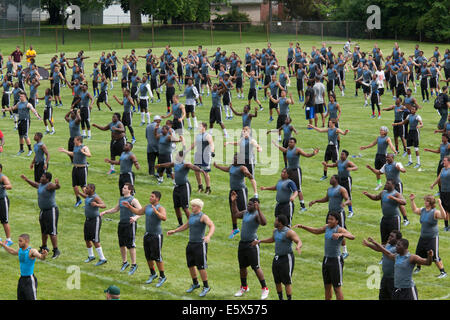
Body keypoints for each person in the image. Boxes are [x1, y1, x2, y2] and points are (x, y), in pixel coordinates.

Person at [295, 212, 354, 300]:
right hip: (326, 260)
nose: (329, 221)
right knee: (327, 287)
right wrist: (303, 226)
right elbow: (316, 231)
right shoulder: (327, 227)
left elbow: (352, 236)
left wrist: (341, 234)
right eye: (328, 219)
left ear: (337, 221)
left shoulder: (339, 229)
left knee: (337, 288)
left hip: (336, 261)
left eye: (331, 219)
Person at [167, 198, 215, 297]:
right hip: (191, 243)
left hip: (199, 244)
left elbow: (212, 226)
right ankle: (195, 283)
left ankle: (206, 286)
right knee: (190, 265)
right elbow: (187, 225)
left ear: (199, 207)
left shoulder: (203, 216)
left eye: (193, 206)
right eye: (192, 205)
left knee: (201, 266)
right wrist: (175, 231)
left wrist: (208, 236)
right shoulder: (192, 216)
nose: (191, 207)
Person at [122, 190, 168, 287]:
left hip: (156, 235)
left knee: (157, 256)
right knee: (148, 256)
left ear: (157, 199)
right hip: (148, 235)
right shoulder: (147, 207)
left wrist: (156, 212)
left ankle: (162, 276)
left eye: (152, 197)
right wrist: (129, 207)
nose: (150, 198)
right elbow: (138, 212)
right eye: (150, 196)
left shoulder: (160, 208)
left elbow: (164, 218)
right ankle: (152, 273)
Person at [230, 191, 269, 299]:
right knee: (242, 267)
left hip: (252, 244)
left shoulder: (256, 215)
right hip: (242, 243)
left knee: (256, 267)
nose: (248, 205)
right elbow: (236, 214)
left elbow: (264, 223)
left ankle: (265, 288)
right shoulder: (246, 212)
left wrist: (259, 209)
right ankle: (244, 287)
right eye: (248, 204)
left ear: (256, 205)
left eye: (251, 204)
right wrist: (234, 202)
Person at [253, 215, 301, 300]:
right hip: (277, 258)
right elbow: (272, 239)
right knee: (277, 280)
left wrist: (298, 246)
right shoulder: (275, 231)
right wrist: (260, 241)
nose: (274, 222)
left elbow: (298, 241)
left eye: (276, 220)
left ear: (280, 222)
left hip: (286, 258)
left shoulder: (289, 232)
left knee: (287, 281)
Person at [214, 153, 258, 239]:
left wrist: (247, 174)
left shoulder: (242, 167)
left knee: (244, 210)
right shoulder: (232, 166)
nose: (233, 160)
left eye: (235, 159)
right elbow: (227, 169)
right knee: (233, 210)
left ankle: (248, 227)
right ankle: (235, 229)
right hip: (232, 191)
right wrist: (218, 166)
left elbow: (247, 173)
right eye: (233, 158)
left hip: (241, 191)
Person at [100, 183, 142, 275]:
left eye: (125, 188)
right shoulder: (121, 199)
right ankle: (125, 262)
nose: (123, 189)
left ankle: (134, 264)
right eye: (123, 187)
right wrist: (105, 212)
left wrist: (135, 218)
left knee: (130, 244)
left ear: (130, 190)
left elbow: (141, 211)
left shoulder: (133, 200)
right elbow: (116, 209)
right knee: (122, 244)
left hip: (130, 224)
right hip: (122, 224)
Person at [156, 150, 204, 226]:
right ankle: (180, 223)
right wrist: (160, 165)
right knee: (176, 207)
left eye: (177, 156)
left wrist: (200, 169)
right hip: (176, 187)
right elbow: (169, 164)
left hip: (184, 187)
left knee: (185, 207)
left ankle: (191, 224)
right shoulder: (175, 163)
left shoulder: (185, 164)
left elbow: (192, 167)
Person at [309, 175, 352, 258]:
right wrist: (316, 201)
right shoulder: (329, 189)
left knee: (340, 231)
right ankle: (332, 249)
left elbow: (348, 199)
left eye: (332, 178)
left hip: (339, 214)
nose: (330, 179)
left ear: (336, 180)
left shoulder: (341, 189)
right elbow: (326, 199)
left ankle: (344, 251)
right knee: (329, 230)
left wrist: (345, 203)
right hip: (331, 214)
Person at [272, 138, 319, 213]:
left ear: (295, 143)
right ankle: (287, 201)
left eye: (291, 142)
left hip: (296, 171)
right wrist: (276, 145)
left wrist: (313, 153)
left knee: (298, 189)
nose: (289, 143)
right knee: (287, 186)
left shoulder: (297, 150)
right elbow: (284, 150)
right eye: (289, 142)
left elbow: (306, 155)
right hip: (289, 171)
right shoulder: (288, 149)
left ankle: (302, 206)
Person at [20, 172, 61, 259]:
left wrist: (57, 184)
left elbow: (56, 187)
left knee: (52, 231)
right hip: (43, 211)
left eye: (43, 176)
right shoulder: (41, 185)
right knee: (44, 231)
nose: (41, 177)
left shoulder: (49, 185)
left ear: (47, 179)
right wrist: (26, 179)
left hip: (51, 210)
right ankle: (44, 247)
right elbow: (35, 185)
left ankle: (56, 250)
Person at [409, 194, 447, 278]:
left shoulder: (435, 212)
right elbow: (415, 210)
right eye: (425, 200)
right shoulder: (423, 210)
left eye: (426, 201)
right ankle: (418, 268)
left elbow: (444, 216)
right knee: (418, 253)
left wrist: (440, 205)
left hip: (432, 238)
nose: (425, 202)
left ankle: (443, 272)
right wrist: (412, 200)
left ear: (430, 203)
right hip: (423, 237)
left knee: (435, 256)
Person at [0, 234, 48, 300]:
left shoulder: (32, 251)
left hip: (29, 280)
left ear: (26, 241)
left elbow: (41, 257)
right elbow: (12, 251)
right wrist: (2, 244)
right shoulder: (20, 250)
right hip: (22, 279)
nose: (19, 243)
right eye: (18, 241)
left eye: (20, 241)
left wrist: (44, 255)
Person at [366, 154, 410, 226]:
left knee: (399, 202)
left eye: (388, 157)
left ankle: (405, 219)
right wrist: (371, 168)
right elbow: (378, 172)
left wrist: (400, 169)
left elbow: (404, 170)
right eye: (386, 157)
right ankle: (385, 216)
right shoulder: (385, 166)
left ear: (392, 158)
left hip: (397, 185)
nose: (387, 159)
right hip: (388, 185)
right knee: (383, 199)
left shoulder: (397, 164)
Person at [363, 180, 406, 245]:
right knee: (384, 239)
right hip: (385, 218)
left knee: (395, 240)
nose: (386, 184)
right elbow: (376, 197)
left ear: (393, 185)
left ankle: (395, 253)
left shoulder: (396, 194)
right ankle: (384, 254)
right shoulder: (383, 192)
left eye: (388, 183)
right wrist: (368, 194)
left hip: (394, 219)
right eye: (386, 183)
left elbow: (404, 202)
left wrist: (394, 198)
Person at [363, 230, 403, 300]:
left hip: (394, 280)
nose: (389, 237)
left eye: (392, 236)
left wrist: (374, 242)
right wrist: (368, 244)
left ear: (398, 239)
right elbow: (379, 249)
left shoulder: (398, 249)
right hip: (385, 277)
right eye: (390, 235)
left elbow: (387, 252)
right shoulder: (388, 245)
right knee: (382, 297)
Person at [2, 92, 41, 156]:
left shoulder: (28, 104)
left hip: (26, 121)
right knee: (20, 136)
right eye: (20, 96)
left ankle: (30, 150)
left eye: (21, 96)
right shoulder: (19, 103)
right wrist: (5, 110)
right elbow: (13, 108)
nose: (20, 97)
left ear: (25, 97)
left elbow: (33, 110)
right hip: (20, 121)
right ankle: (21, 149)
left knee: (25, 135)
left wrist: (37, 115)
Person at [77, 184, 107, 266]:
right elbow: (85, 197)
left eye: (87, 188)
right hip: (88, 220)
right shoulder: (88, 196)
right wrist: (79, 192)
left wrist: (97, 205)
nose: (85, 189)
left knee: (95, 239)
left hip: (95, 220)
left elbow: (104, 205)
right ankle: (91, 256)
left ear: (92, 189)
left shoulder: (95, 197)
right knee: (87, 238)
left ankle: (102, 258)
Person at [322, 149, 358, 217]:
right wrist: (326, 165)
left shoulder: (348, 162)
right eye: (341, 154)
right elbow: (333, 165)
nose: (341, 156)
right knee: (339, 193)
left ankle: (350, 211)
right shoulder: (338, 162)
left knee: (348, 195)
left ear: (346, 156)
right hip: (339, 180)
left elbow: (356, 167)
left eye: (342, 154)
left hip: (346, 180)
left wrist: (351, 169)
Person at [58, 136, 91, 207]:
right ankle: (78, 199)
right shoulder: (75, 146)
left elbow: (89, 155)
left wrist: (83, 152)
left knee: (83, 187)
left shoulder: (84, 147)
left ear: (79, 141)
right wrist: (64, 151)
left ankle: (88, 202)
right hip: (75, 168)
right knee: (75, 185)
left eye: (75, 140)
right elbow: (74, 154)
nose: (73, 141)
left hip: (82, 169)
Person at [191, 122, 214, 194]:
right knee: (196, 171)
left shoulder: (208, 136)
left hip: (205, 155)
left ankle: (208, 188)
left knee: (205, 172)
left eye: (200, 126)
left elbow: (211, 144)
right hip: (198, 155)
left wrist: (212, 151)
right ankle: (200, 187)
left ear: (204, 127)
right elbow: (194, 144)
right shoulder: (198, 135)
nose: (198, 127)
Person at [431, 155, 450, 231]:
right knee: (444, 209)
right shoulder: (442, 169)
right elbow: (438, 178)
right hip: (443, 192)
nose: (443, 162)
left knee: (448, 210)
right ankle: (446, 226)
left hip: (449, 192)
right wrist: (433, 184)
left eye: (444, 161)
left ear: (449, 162)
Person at [0, 164, 12, 246]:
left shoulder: (3, 177)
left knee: (4, 220)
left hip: (2, 200)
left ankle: (8, 239)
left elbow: (10, 186)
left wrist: (3, 186)